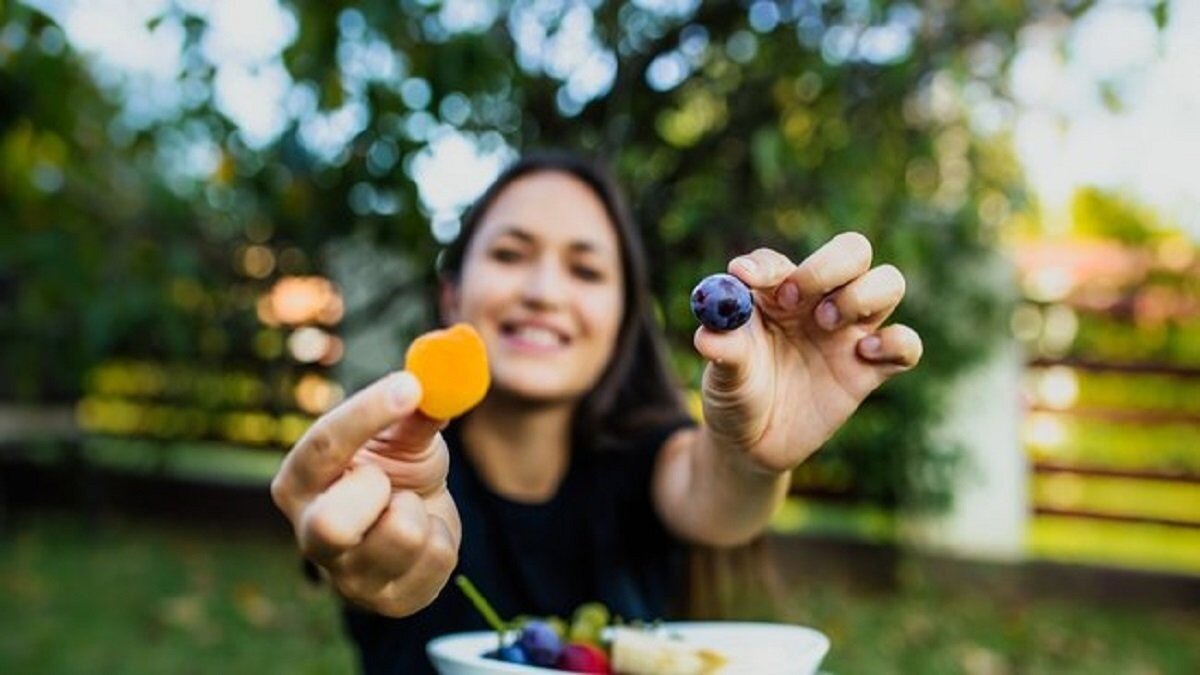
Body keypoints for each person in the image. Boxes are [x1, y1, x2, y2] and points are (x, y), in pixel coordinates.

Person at [269, 151, 922, 674]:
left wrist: (751, 453)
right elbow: (372, 544)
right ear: (451, 294)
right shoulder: (397, 467)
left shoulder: (647, 459)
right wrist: (383, 551)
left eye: (585, 270)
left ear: (620, 318)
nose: (544, 290)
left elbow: (716, 490)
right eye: (509, 254)